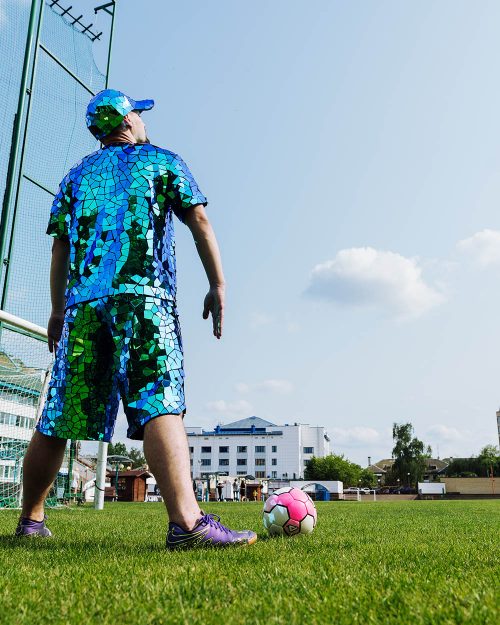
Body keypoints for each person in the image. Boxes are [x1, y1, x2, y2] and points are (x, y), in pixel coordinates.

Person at [15, 89, 257, 549]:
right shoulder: (160, 160)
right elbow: (199, 221)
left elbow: (60, 248)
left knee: (59, 416)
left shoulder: (75, 176)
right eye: (139, 115)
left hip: (83, 305)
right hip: (144, 299)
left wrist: (56, 309)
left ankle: (30, 521)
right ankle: (186, 525)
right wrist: (219, 284)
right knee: (159, 401)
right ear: (129, 121)